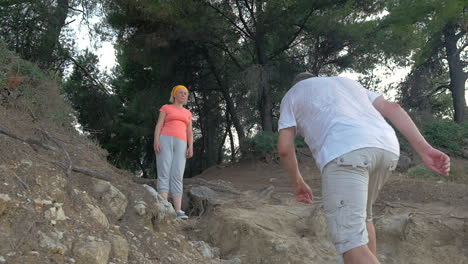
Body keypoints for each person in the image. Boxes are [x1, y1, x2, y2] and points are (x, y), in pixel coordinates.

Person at [277, 73, 450, 264]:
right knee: (364, 220)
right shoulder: (349, 84)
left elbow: (284, 148)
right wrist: (425, 149)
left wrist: (298, 182)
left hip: (346, 153)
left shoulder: (293, 94)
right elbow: (393, 107)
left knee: (351, 244)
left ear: (297, 83)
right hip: (387, 149)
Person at [154, 85, 194, 220]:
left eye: (186, 94)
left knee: (177, 174)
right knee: (164, 171)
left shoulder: (188, 113)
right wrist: (156, 140)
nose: (184, 95)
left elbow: (189, 132)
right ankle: (164, 207)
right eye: (181, 93)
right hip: (165, 139)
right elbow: (159, 125)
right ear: (175, 95)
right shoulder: (166, 108)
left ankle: (178, 210)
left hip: (181, 143)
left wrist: (191, 147)